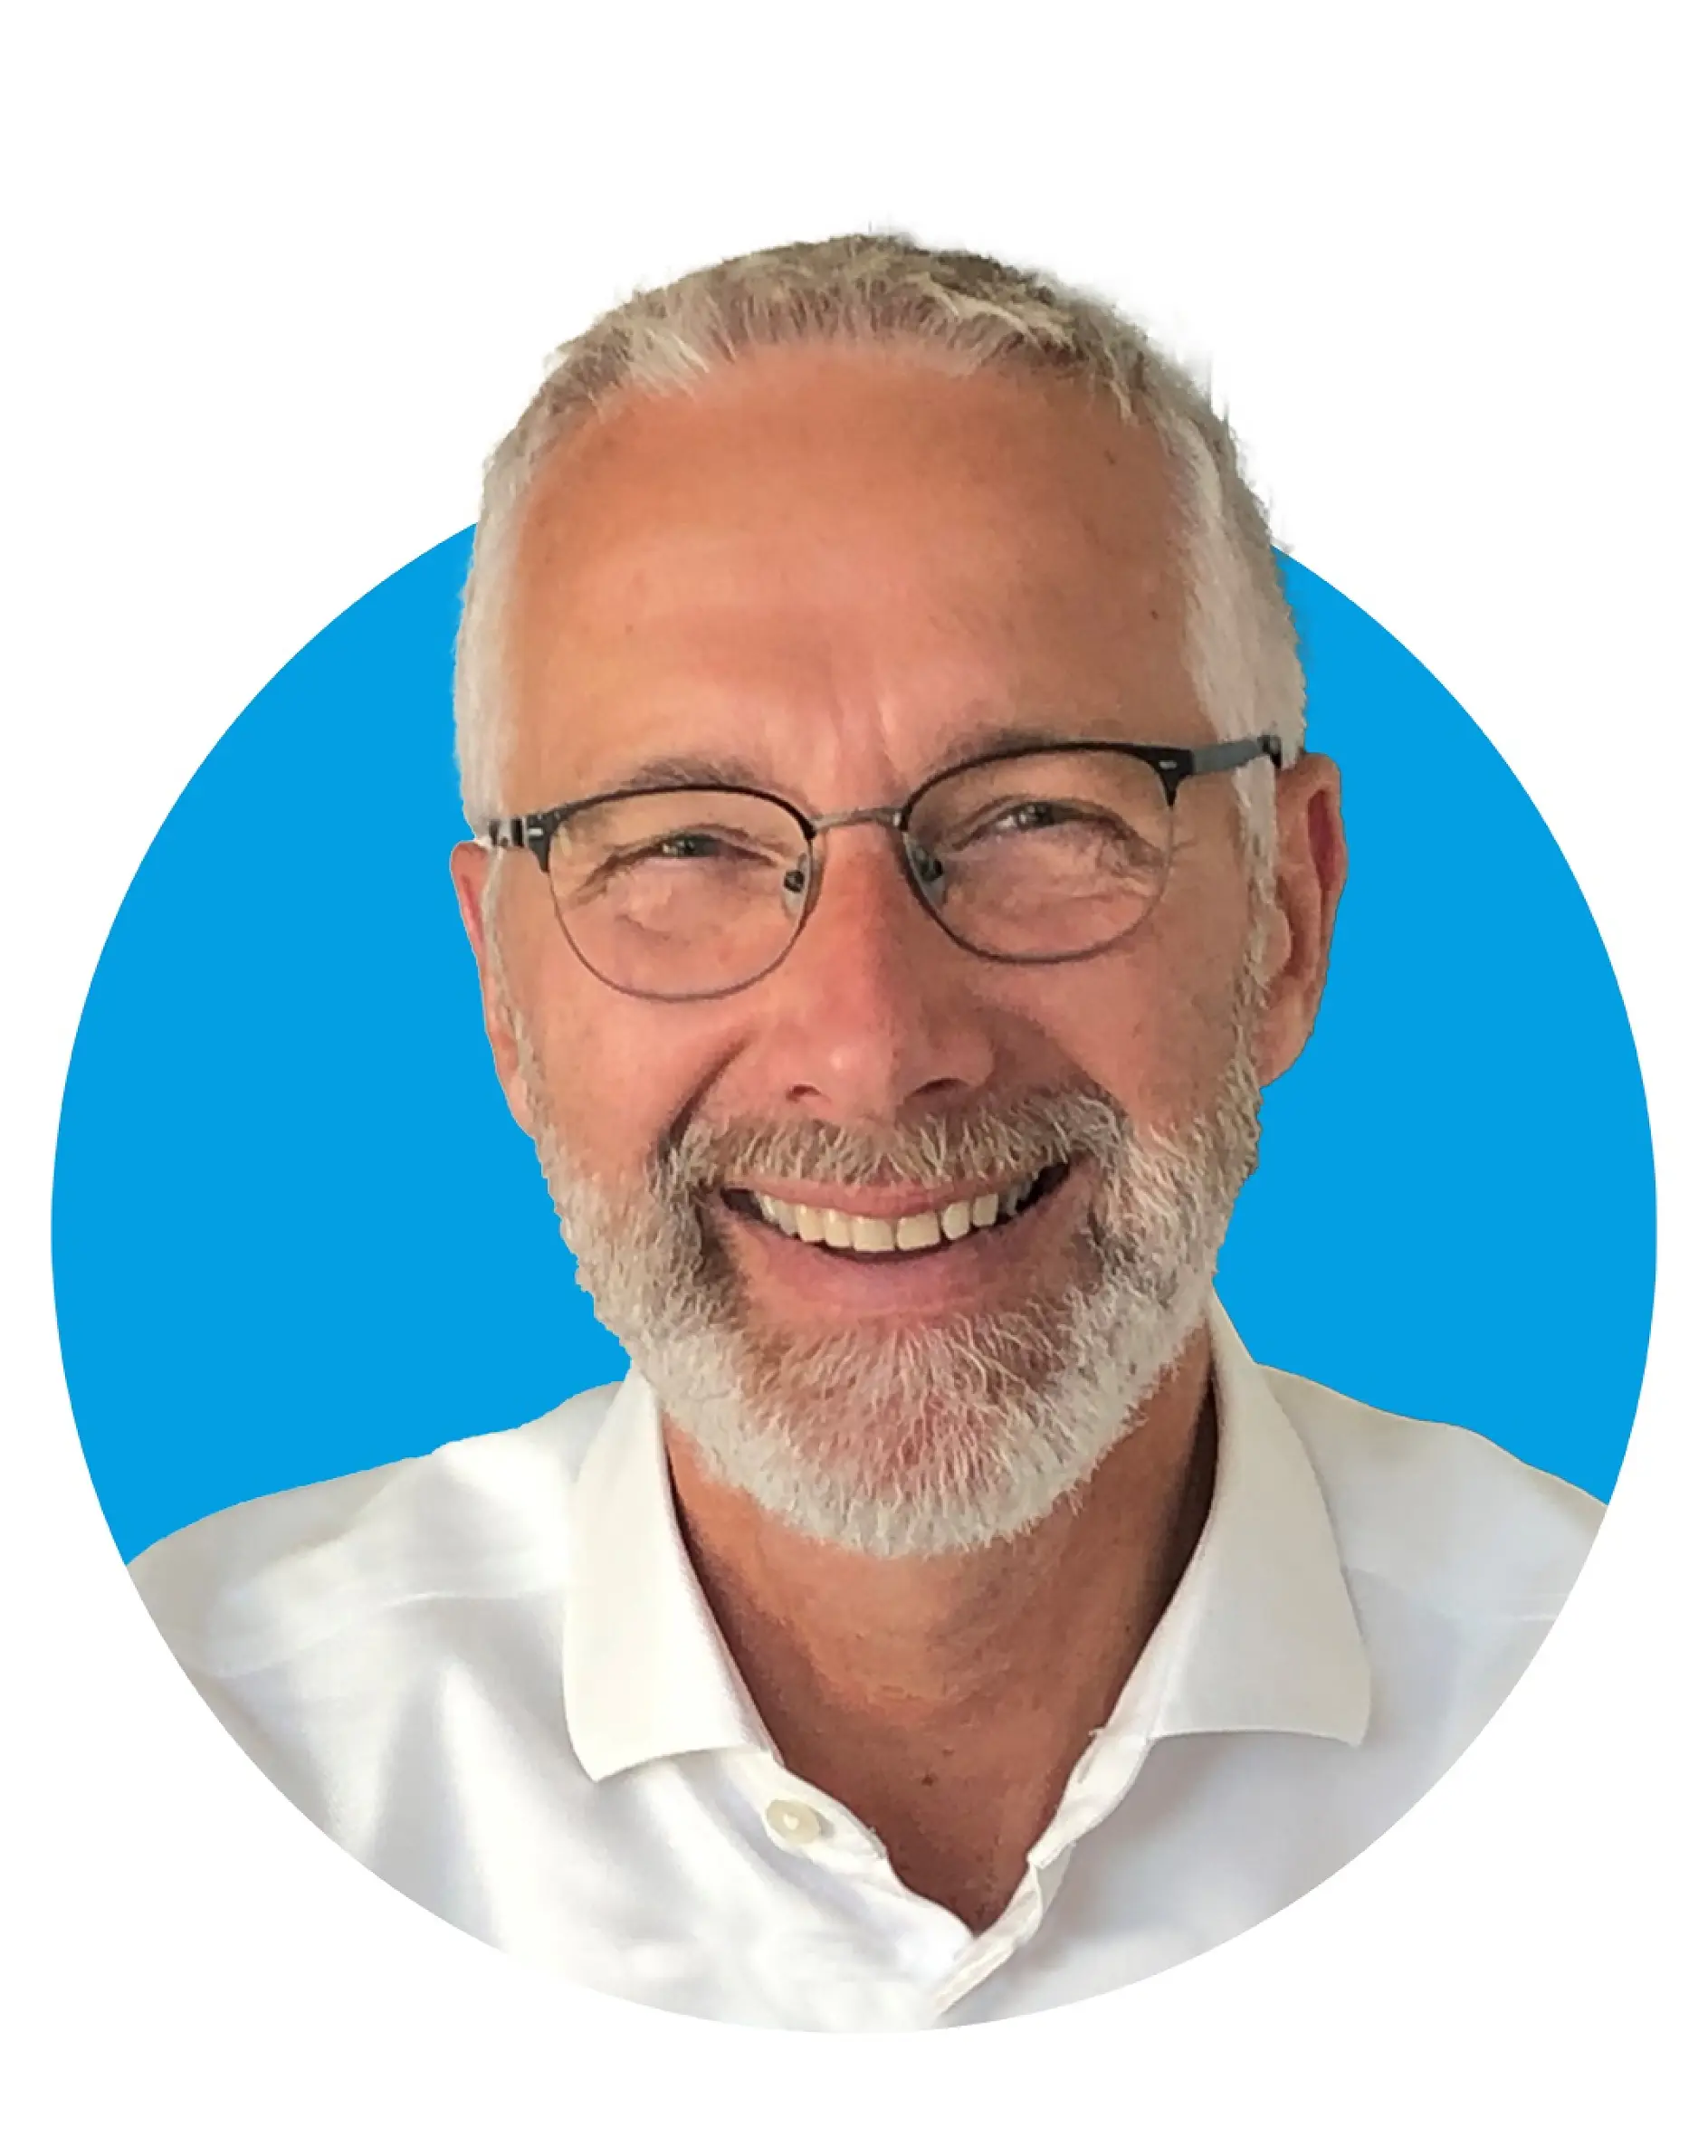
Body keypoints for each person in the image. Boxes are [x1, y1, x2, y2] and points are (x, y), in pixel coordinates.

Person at [131, 233, 1600, 2033]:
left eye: (1036, 817)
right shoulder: (150, 1766)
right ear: (506, 993)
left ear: (1286, 915)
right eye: (682, 843)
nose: (872, 1041)